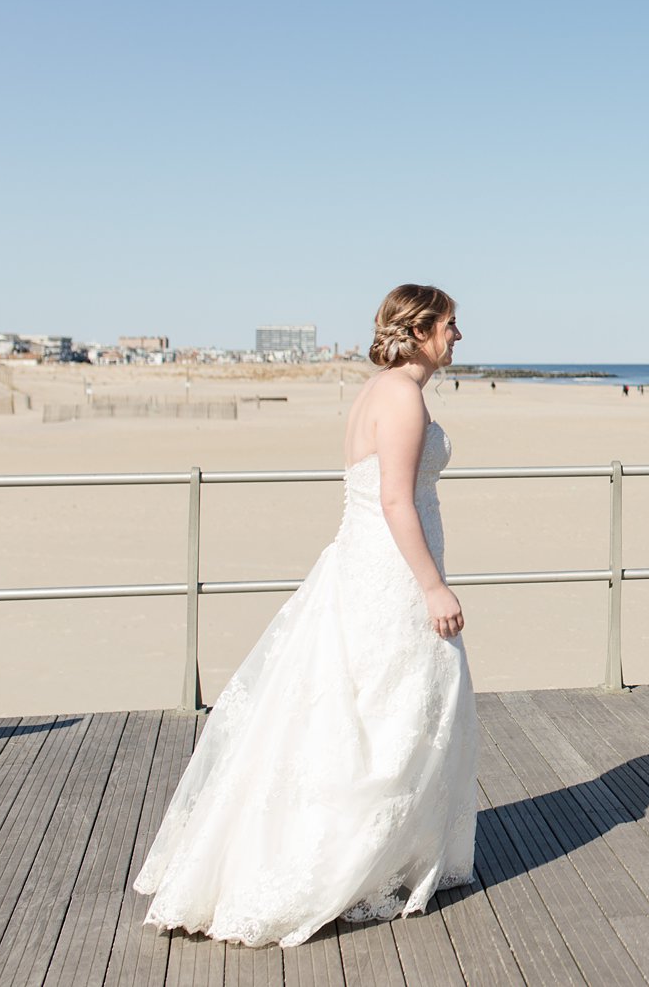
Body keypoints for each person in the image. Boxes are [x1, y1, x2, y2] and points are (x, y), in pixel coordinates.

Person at [134, 284, 478, 946]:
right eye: (450, 324)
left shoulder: (382, 390)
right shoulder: (403, 397)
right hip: (391, 572)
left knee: (371, 709)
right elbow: (397, 502)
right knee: (394, 710)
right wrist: (434, 585)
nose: (458, 336)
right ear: (421, 329)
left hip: (363, 564)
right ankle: (352, 862)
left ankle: (382, 849)